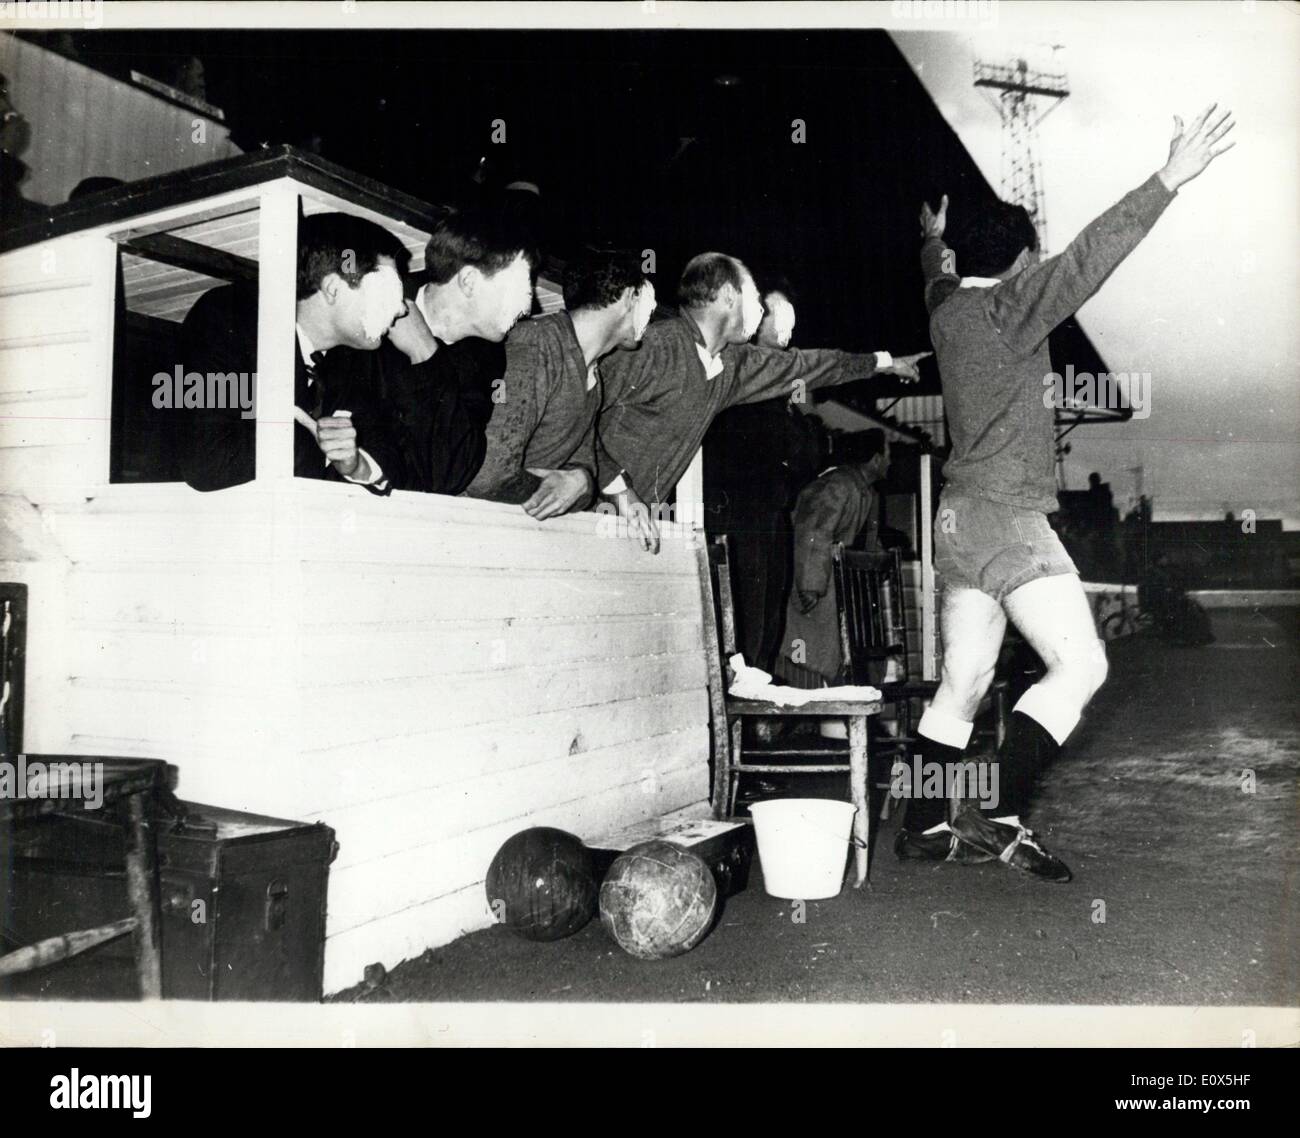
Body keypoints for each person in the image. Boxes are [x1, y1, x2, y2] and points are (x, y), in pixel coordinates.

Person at [897, 104, 1236, 880]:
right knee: (1081, 665)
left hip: (955, 525)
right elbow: (1091, 256)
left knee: (965, 679)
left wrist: (931, 240)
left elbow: (936, 276)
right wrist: (1167, 180)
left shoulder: (947, 311)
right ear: (1022, 262)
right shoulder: (1014, 308)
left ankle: (921, 826)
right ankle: (1003, 812)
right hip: (1011, 520)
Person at [597, 252, 929, 553]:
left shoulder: (730, 365)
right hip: (590, 515)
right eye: (754, 296)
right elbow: (579, 413)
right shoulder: (652, 348)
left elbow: (808, 365)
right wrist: (620, 491)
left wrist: (884, 363)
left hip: (634, 525)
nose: (759, 310)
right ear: (728, 296)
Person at [177, 212, 409, 492]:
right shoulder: (228, 318)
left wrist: (356, 465)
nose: (402, 309)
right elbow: (207, 460)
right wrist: (314, 447)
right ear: (334, 288)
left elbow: (392, 462)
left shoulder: (353, 359)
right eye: (388, 293)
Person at [462, 249, 655, 519]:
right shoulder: (536, 346)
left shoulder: (591, 375)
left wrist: (585, 481)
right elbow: (487, 478)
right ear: (627, 298)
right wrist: (578, 488)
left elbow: (581, 463)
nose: (653, 311)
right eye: (647, 299)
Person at [373, 202, 537, 494]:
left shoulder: (488, 357)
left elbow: (453, 473)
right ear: (469, 281)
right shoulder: (373, 311)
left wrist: (426, 355)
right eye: (520, 287)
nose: (529, 306)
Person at [704, 275, 823, 672]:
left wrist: (800, 417)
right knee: (746, 622)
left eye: (793, 322)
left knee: (769, 617)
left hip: (772, 513)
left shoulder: (785, 385)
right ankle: (740, 715)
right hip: (741, 515)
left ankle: (756, 712)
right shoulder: (740, 375)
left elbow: (808, 457)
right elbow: (775, 445)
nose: (788, 333)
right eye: (780, 320)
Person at [776, 432, 890, 687]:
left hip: (839, 586)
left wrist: (877, 563)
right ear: (875, 459)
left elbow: (868, 539)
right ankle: (800, 722)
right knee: (808, 659)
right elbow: (813, 531)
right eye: (888, 455)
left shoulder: (864, 491)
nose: (890, 462)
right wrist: (810, 584)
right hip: (818, 585)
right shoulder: (837, 485)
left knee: (840, 655)